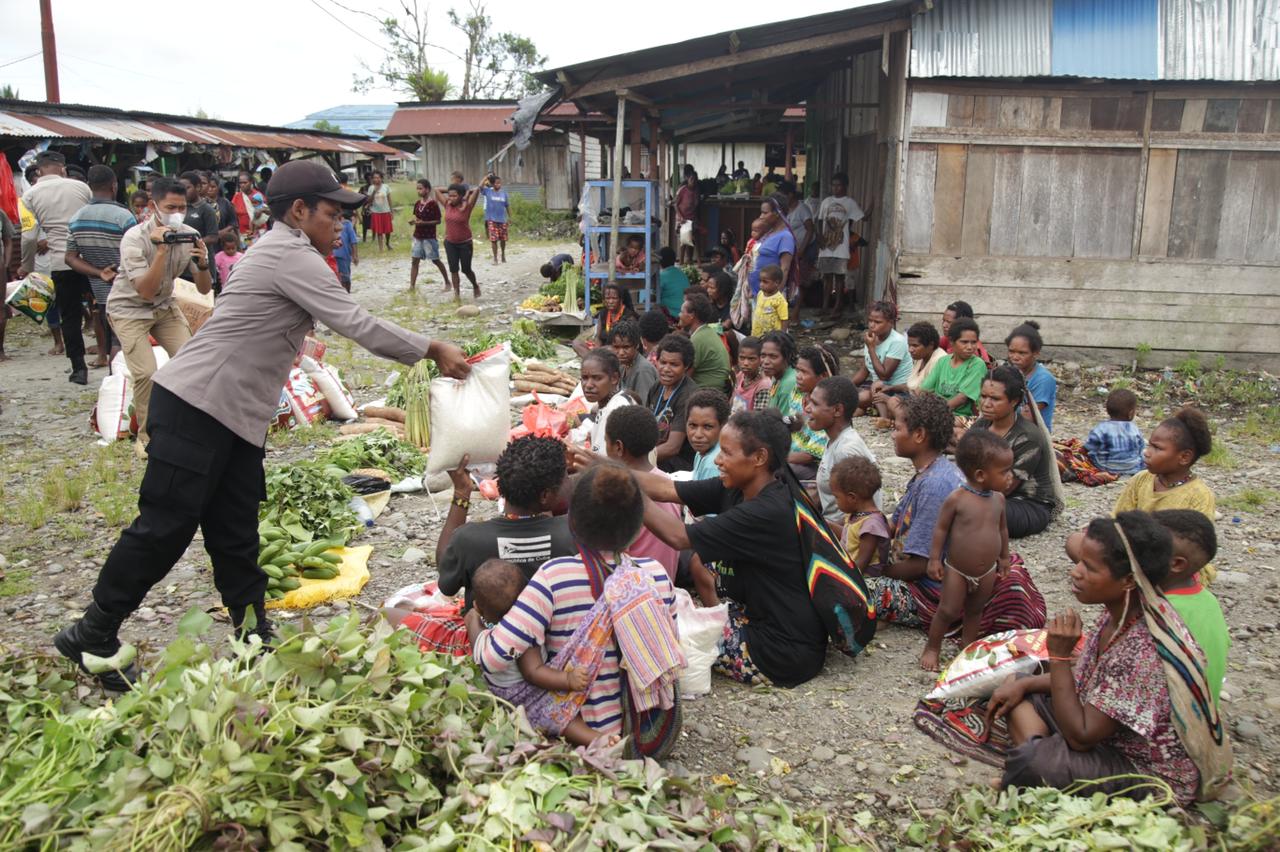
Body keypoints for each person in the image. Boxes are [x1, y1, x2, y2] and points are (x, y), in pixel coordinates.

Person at [54, 160, 472, 691]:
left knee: (234, 531)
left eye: (345, 214)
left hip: (231, 415)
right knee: (165, 526)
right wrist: (432, 349)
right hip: (197, 405)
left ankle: (252, 635)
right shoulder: (287, 254)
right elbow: (355, 322)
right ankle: (94, 631)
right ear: (299, 211)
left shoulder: (289, 252)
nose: (341, 222)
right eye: (332, 212)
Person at [990, 512, 1229, 807]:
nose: (1076, 572)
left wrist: (1060, 655)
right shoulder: (1123, 608)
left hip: (1147, 772)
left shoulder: (1144, 647)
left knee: (1036, 761)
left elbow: (1082, 736)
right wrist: (1024, 686)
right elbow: (1088, 678)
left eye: (1089, 567)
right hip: (1105, 730)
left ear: (1129, 579)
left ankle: (1037, 766)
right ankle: (1044, 762)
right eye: (1079, 562)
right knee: (1020, 688)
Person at [472, 464, 681, 745]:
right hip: (646, 725)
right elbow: (670, 647)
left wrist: (475, 623)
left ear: (571, 522)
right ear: (638, 528)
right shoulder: (655, 575)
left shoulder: (554, 578)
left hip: (579, 727)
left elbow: (494, 657)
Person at [626, 410, 832, 687]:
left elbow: (677, 536)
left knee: (651, 632)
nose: (718, 461)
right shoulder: (742, 486)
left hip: (780, 653)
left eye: (726, 453)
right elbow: (666, 489)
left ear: (759, 458)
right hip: (768, 624)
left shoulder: (768, 511)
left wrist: (622, 487)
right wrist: (602, 466)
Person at [864, 393, 1046, 636]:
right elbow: (894, 524)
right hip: (925, 573)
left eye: (897, 428)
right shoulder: (930, 472)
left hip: (933, 590)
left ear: (919, 435)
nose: (893, 434)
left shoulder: (935, 485)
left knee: (851, 587)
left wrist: (875, 570)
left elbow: (921, 565)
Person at [106, 177, 212, 458]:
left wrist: (202, 262)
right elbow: (145, 290)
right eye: (171, 206)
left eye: (182, 207)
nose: (177, 213)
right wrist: (162, 249)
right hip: (129, 309)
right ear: (154, 206)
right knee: (146, 373)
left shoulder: (189, 233)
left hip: (165, 307)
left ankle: (186, 426)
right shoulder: (135, 238)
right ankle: (147, 437)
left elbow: (204, 288)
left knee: (191, 363)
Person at [465, 558, 599, 746]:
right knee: (559, 717)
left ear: (478, 606)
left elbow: (476, 637)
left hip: (501, 695)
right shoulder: (523, 633)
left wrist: (473, 618)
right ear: (528, 597)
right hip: (528, 696)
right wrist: (567, 680)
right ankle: (597, 739)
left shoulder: (485, 637)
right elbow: (533, 672)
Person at [921, 429, 1013, 671]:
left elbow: (1002, 530)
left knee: (975, 610)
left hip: (987, 571)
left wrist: (1004, 557)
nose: (1010, 477)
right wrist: (934, 559)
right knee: (948, 609)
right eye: (1004, 472)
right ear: (981, 475)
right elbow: (940, 529)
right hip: (957, 569)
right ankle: (933, 647)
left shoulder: (999, 500)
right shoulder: (957, 499)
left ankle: (967, 647)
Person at [21, 150, 92, 383]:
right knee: (102, 309)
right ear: (62, 167)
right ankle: (110, 356)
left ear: (39, 170)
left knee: (69, 316)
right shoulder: (81, 188)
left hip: (61, 261)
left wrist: (27, 266)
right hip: (90, 258)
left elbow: (30, 237)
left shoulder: (29, 196)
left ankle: (79, 369)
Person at [971, 365, 1063, 539]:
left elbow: (1005, 487)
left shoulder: (1028, 437)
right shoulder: (981, 426)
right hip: (985, 492)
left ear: (1014, 401)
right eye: (983, 396)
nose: (986, 404)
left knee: (975, 509)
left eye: (995, 398)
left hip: (1027, 503)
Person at [1151, 509, 1229, 706]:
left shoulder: (1158, 610)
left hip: (1169, 725)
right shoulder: (1207, 599)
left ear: (1176, 564)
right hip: (1205, 718)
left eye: (1142, 549)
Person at [599, 405, 683, 581]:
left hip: (639, 589)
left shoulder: (620, 490)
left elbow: (612, 558)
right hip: (667, 582)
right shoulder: (666, 483)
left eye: (605, 441)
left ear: (618, 447)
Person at [65, 165, 137, 365]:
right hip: (129, 289)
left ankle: (114, 380)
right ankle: (121, 383)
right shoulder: (124, 216)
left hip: (101, 291)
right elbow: (137, 253)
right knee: (123, 342)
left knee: (111, 335)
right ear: (114, 186)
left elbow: (70, 258)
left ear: (89, 186)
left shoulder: (76, 219)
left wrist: (98, 272)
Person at [1113, 406, 1216, 519]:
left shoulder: (1199, 497)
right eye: (1149, 445)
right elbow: (1117, 521)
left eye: (1157, 448)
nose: (1147, 453)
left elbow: (1199, 536)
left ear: (1184, 457)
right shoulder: (1140, 480)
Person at [809, 376, 877, 527]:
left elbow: (862, 514)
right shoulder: (834, 440)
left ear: (837, 410)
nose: (807, 408)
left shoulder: (846, 450)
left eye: (814, 404)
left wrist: (819, 527)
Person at [871, 320, 946, 425]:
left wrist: (888, 399)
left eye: (915, 346)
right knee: (878, 386)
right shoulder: (920, 357)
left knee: (892, 402)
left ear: (930, 345)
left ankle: (891, 421)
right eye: (909, 345)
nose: (910, 349)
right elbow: (913, 386)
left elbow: (925, 396)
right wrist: (892, 387)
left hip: (926, 406)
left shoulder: (939, 360)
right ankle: (889, 417)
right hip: (912, 399)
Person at [781, 344, 837, 479]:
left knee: (774, 472)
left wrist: (778, 457)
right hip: (792, 452)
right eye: (797, 370)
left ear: (823, 376)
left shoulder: (825, 408)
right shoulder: (797, 393)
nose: (798, 376)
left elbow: (809, 456)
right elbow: (792, 422)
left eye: (804, 372)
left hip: (812, 466)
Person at [569, 348, 638, 455]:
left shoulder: (617, 412)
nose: (588, 385)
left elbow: (609, 463)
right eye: (584, 378)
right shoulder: (607, 404)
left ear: (614, 378)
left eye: (597, 378)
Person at [646, 334, 697, 473]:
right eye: (663, 362)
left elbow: (672, 447)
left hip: (678, 464)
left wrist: (641, 458)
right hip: (655, 453)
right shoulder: (657, 387)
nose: (666, 369)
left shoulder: (688, 396)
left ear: (686, 366)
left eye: (674, 364)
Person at [852, 300, 913, 414]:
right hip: (878, 389)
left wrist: (871, 348)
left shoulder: (897, 341)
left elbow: (884, 375)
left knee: (865, 396)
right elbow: (864, 371)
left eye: (877, 322)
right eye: (870, 321)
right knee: (853, 396)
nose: (871, 325)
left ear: (890, 322)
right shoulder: (872, 337)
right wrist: (844, 387)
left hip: (897, 390)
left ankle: (884, 417)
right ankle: (871, 408)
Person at [831, 456, 890, 573]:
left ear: (852, 498)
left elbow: (861, 565)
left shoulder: (871, 526)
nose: (835, 501)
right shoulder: (855, 515)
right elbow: (846, 534)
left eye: (836, 497)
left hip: (866, 580)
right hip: (849, 568)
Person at [815, 173, 864, 314]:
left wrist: (871, 207)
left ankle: (837, 305)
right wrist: (819, 237)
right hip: (826, 246)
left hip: (841, 247)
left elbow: (861, 216)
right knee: (827, 277)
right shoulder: (826, 201)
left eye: (839, 185)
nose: (836, 188)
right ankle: (825, 306)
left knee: (839, 278)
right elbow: (819, 220)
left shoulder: (849, 202)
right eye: (833, 185)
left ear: (845, 187)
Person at [920, 316, 987, 417]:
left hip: (962, 417)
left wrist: (935, 413)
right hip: (937, 412)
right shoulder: (943, 361)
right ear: (951, 341)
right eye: (964, 342)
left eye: (973, 342)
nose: (970, 347)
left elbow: (962, 398)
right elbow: (924, 390)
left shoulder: (977, 364)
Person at [434, 182, 482, 300]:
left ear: (461, 196)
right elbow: (436, 190)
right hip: (450, 243)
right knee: (453, 269)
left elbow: (476, 190)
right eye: (450, 196)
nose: (451, 198)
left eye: (454, 196)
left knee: (466, 269)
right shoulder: (447, 205)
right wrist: (451, 189)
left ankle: (475, 285)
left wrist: (465, 193)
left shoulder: (467, 206)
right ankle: (457, 294)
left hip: (465, 243)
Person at [1006, 321, 1057, 431]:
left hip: (1031, 435)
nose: (1015, 357)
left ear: (1036, 352)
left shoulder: (1043, 379)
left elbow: (1028, 416)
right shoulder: (1008, 372)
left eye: (1022, 353)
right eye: (1011, 351)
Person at [1084, 389, 1146, 476]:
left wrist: (1082, 452)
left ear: (1107, 410)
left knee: (1090, 454)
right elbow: (1140, 449)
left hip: (1105, 467)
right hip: (1132, 468)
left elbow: (1089, 447)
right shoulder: (1134, 429)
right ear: (1131, 413)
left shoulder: (1101, 428)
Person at [679, 290, 731, 391]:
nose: (679, 315)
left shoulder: (698, 339)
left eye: (681, 311)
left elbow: (685, 378)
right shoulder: (707, 332)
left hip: (707, 391)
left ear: (692, 315)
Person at [747, 195, 796, 298]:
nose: (761, 216)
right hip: (757, 295)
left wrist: (775, 297)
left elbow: (785, 269)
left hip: (769, 297)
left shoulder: (785, 237)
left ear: (777, 213)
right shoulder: (768, 233)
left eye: (765, 213)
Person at [409, 178, 447, 290]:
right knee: (415, 260)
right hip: (418, 236)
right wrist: (414, 221)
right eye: (417, 188)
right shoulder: (417, 204)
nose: (418, 191)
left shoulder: (433, 204)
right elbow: (417, 217)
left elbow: (438, 221)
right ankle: (412, 286)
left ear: (427, 189)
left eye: (421, 188)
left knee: (435, 260)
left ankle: (447, 281)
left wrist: (424, 223)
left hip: (429, 237)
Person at [609, 320, 657, 403]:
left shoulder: (643, 370)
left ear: (637, 345)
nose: (621, 353)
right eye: (616, 347)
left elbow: (644, 407)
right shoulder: (623, 366)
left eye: (626, 347)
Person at [686, 388, 728, 481]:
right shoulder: (701, 452)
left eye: (707, 426)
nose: (698, 434)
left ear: (723, 427)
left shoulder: (714, 463)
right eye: (693, 425)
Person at [178, 171, 221, 261]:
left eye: (188, 188)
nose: (184, 192)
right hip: (182, 260)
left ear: (197, 187)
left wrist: (191, 242)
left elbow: (213, 237)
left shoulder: (207, 209)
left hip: (202, 260)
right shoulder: (178, 208)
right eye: (181, 189)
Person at [939, 300, 993, 365]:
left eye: (949, 322)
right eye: (943, 321)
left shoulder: (972, 352)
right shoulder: (949, 338)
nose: (944, 325)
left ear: (961, 323)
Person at [785, 182, 815, 291]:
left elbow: (810, 229)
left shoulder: (802, 208)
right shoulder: (787, 209)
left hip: (806, 249)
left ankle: (798, 306)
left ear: (790, 195)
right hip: (794, 249)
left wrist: (802, 249)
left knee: (801, 279)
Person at [732, 336, 772, 414]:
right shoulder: (740, 376)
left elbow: (758, 418)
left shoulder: (764, 386)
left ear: (761, 359)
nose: (745, 363)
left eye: (751, 359)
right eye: (742, 358)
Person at [480, 173, 510, 263]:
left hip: (502, 220)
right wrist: (486, 177)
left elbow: (507, 206)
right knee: (494, 240)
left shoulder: (504, 194)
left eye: (500, 183)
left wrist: (510, 217)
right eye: (496, 183)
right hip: (492, 220)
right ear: (492, 184)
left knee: (503, 239)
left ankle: (503, 255)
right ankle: (495, 258)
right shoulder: (488, 191)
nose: (498, 185)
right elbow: (480, 186)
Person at [752, 264, 789, 336]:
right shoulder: (760, 294)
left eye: (765, 282)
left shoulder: (779, 300)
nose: (761, 284)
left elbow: (784, 320)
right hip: (757, 333)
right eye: (760, 281)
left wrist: (782, 336)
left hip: (772, 337)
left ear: (776, 283)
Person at [232, 172, 267, 240]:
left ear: (251, 182)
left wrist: (261, 210)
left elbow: (267, 213)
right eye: (240, 183)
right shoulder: (237, 197)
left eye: (245, 183)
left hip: (258, 232)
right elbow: (233, 214)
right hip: (243, 234)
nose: (242, 185)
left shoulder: (258, 196)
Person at [674, 172, 699, 265]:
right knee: (683, 240)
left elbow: (696, 205)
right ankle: (681, 261)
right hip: (682, 217)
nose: (693, 181)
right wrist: (681, 217)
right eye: (691, 179)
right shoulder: (682, 190)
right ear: (688, 180)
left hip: (691, 217)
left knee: (691, 239)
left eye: (695, 179)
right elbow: (675, 205)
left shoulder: (696, 191)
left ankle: (689, 259)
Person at [330, 210, 358, 292]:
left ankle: (347, 295)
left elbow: (353, 240)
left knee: (346, 279)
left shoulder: (347, 224)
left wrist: (355, 255)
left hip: (344, 256)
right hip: (333, 256)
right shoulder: (328, 224)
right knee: (338, 279)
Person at [366, 171, 393, 251]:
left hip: (386, 211)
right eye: (374, 178)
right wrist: (374, 191)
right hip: (376, 212)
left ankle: (387, 243)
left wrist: (391, 211)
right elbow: (369, 201)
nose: (376, 179)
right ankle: (381, 248)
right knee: (379, 231)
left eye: (378, 177)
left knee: (388, 230)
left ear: (381, 178)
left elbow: (389, 199)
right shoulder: (371, 188)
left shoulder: (386, 187)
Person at [656, 246, 687, 315]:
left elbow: (656, 295)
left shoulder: (661, 276)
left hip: (671, 313)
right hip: (684, 311)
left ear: (659, 261)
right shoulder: (681, 273)